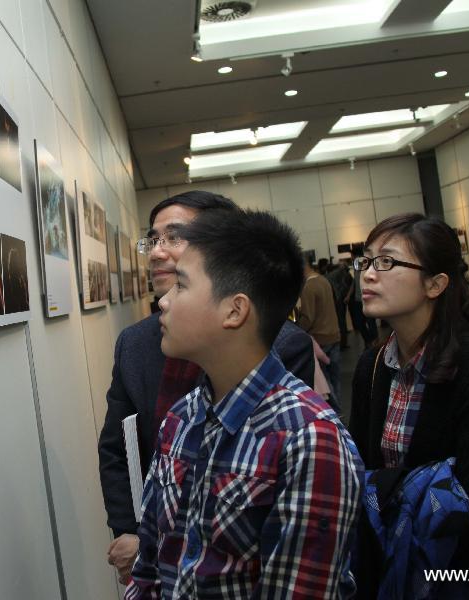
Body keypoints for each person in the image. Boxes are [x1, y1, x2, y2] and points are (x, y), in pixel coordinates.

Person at [125, 209, 362, 599]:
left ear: (235, 310)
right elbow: (150, 567)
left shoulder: (310, 439)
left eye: (181, 286)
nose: (163, 303)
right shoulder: (180, 419)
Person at [98, 192, 316, 582]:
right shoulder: (170, 398)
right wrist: (134, 533)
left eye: (175, 237)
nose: (157, 252)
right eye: (154, 239)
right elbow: (118, 447)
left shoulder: (306, 422)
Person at [348, 214, 469, 597]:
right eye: (366, 260)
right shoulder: (373, 366)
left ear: (435, 284)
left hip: (460, 574)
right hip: (392, 565)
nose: (368, 274)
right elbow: (362, 473)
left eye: (387, 262)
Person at [298, 261, 342, 406]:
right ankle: (339, 407)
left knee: (325, 382)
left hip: (320, 338)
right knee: (335, 377)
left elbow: (308, 318)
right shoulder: (323, 280)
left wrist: (296, 329)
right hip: (334, 334)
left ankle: (336, 412)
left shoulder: (308, 287)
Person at [349, 246, 379, 346]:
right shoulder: (356, 266)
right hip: (358, 299)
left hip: (367, 298)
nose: (351, 257)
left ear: (357, 256)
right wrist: (349, 295)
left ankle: (374, 342)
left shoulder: (366, 266)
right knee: (359, 323)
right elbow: (355, 281)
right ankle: (369, 341)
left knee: (371, 322)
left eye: (352, 255)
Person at [326, 260, 354, 349]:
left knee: (340, 321)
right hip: (339, 300)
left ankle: (342, 342)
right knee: (341, 322)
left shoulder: (328, 276)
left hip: (336, 301)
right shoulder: (335, 275)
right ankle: (343, 343)